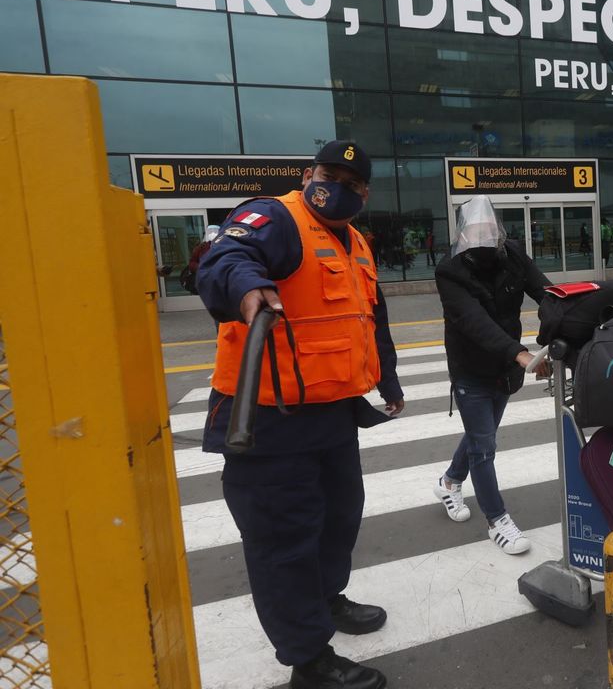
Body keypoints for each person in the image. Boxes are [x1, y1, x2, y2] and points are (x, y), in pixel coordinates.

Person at [197, 140, 404, 689]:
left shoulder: (356, 240)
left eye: (353, 182)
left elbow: (370, 318)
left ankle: (325, 599)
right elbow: (225, 259)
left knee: (339, 519)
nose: (339, 186)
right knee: (283, 540)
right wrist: (248, 288)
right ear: (309, 174)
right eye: (329, 174)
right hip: (268, 418)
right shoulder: (274, 217)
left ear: (364, 193)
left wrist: (389, 379)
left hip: (333, 413)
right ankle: (307, 659)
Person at [433, 196, 550, 554]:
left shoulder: (513, 255)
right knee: (484, 445)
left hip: (504, 370)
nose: (482, 237)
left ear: (498, 231)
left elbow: (545, 292)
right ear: (462, 235)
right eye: (474, 231)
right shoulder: (450, 270)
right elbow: (474, 322)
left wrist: (569, 321)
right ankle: (497, 521)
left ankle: (450, 481)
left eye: (489, 230)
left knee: (480, 433)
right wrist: (520, 353)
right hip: (471, 369)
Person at [182, 224, 220, 294]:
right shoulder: (201, 247)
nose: (213, 233)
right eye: (211, 231)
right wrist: (201, 267)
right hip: (205, 279)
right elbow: (192, 263)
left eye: (215, 231)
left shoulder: (225, 246)